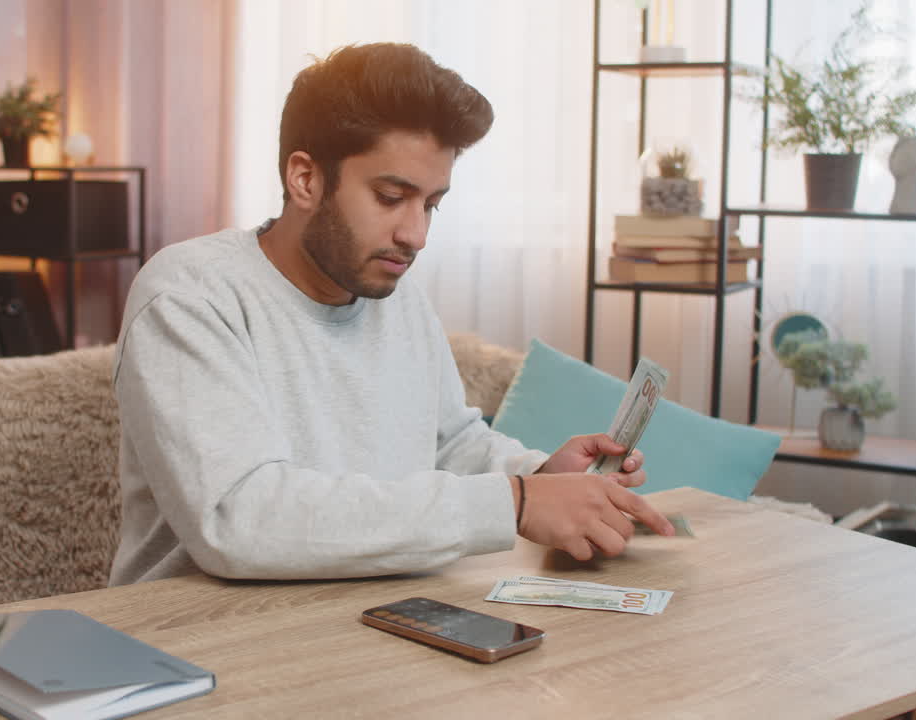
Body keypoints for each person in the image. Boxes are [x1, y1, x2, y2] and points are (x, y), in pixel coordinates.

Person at [109, 42, 673, 585]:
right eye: (389, 197)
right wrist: (516, 502)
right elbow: (237, 517)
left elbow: (447, 445)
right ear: (304, 179)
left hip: (367, 622)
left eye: (431, 204)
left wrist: (539, 476)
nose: (416, 234)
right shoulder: (189, 296)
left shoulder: (395, 295)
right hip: (195, 645)